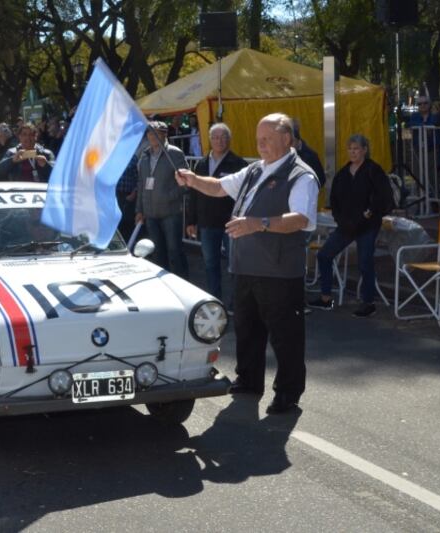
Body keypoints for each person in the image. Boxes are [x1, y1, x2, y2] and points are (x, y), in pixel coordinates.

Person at [175, 113, 319, 414]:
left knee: (285, 336)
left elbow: (301, 219)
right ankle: (249, 379)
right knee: (247, 329)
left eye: (266, 139)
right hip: (246, 267)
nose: (260, 144)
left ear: (287, 139)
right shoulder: (255, 170)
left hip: (280, 271)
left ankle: (288, 393)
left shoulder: (301, 176)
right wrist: (193, 179)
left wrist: (258, 223)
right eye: (258, 139)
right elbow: (218, 187)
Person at [308, 134, 394, 318]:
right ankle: (325, 298)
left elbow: (384, 196)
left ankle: (368, 302)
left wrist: (370, 212)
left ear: (364, 150)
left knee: (365, 262)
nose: (353, 152)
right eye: (350, 149)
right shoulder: (343, 173)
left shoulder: (373, 170)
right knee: (324, 255)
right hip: (347, 225)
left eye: (356, 148)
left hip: (367, 225)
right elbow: (335, 199)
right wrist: (340, 219)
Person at [185, 122, 247, 300]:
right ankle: (215, 300)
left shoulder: (239, 164)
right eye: (216, 137)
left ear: (229, 140)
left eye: (223, 137)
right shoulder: (202, 164)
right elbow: (193, 194)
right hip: (207, 223)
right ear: (209, 140)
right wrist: (191, 221)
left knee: (234, 266)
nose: (220, 141)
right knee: (210, 264)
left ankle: (238, 303)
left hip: (231, 224)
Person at [135, 121, 189, 278]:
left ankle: (182, 283)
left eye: (156, 133)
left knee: (175, 252)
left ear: (165, 134)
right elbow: (141, 184)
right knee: (157, 253)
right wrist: (139, 210)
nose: (152, 136)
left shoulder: (175, 154)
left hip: (170, 213)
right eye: (150, 133)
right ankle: (163, 284)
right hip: (150, 214)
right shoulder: (144, 156)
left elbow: (185, 183)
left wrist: (168, 197)